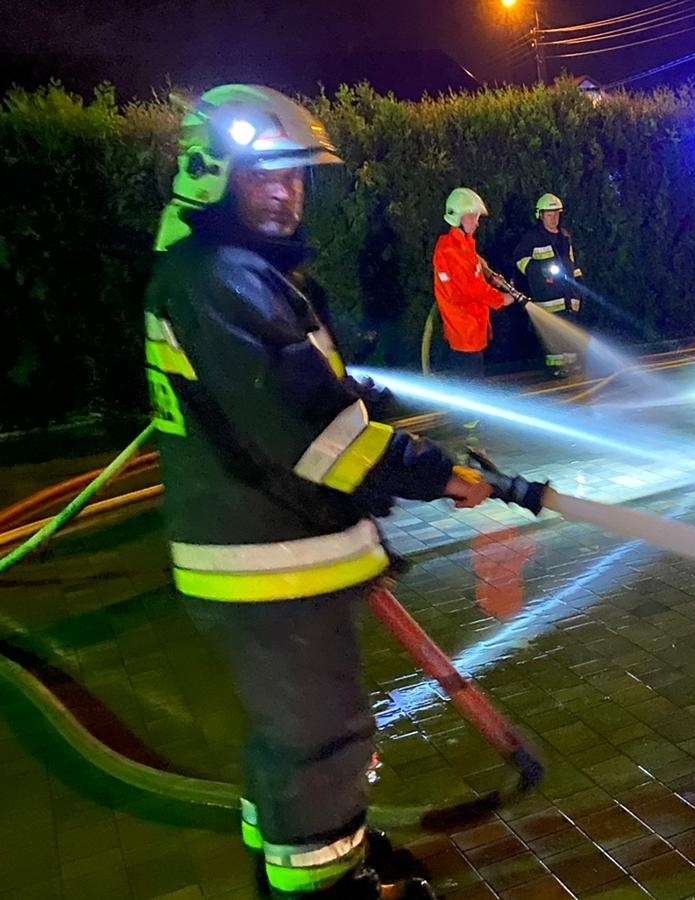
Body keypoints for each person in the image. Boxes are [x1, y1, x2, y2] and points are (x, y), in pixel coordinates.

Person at [144, 84, 507, 900]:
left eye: (297, 177)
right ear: (211, 176)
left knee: (291, 738)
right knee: (321, 736)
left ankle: (306, 847)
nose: (286, 193)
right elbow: (314, 434)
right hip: (268, 560)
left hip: (267, 553)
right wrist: (436, 474)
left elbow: (320, 396)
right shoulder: (220, 280)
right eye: (263, 177)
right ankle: (324, 881)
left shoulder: (227, 274)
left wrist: (407, 442)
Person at [432, 187, 515, 378]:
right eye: (473, 217)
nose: (477, 223)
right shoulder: (451, 250)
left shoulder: (463, 245)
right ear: (461, 217)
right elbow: (472, 288)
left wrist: (489, 274)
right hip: (464, 330)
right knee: (470, 383)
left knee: (472, 383)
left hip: (472, 329)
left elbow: (474, 266)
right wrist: (501, 298)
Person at [512, 193, 585, 377]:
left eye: (557, 214)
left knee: (568, 329)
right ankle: (555, 366)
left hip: (567, 294)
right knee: (553, 333)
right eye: (550, 214)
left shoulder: (564, 236)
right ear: (541, 215)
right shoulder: (533, 238)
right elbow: (520, 260)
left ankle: (570, 363)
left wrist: (577, 286)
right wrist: (539, 271)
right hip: (547, 296)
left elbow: (571, 263)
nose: (554, 218)